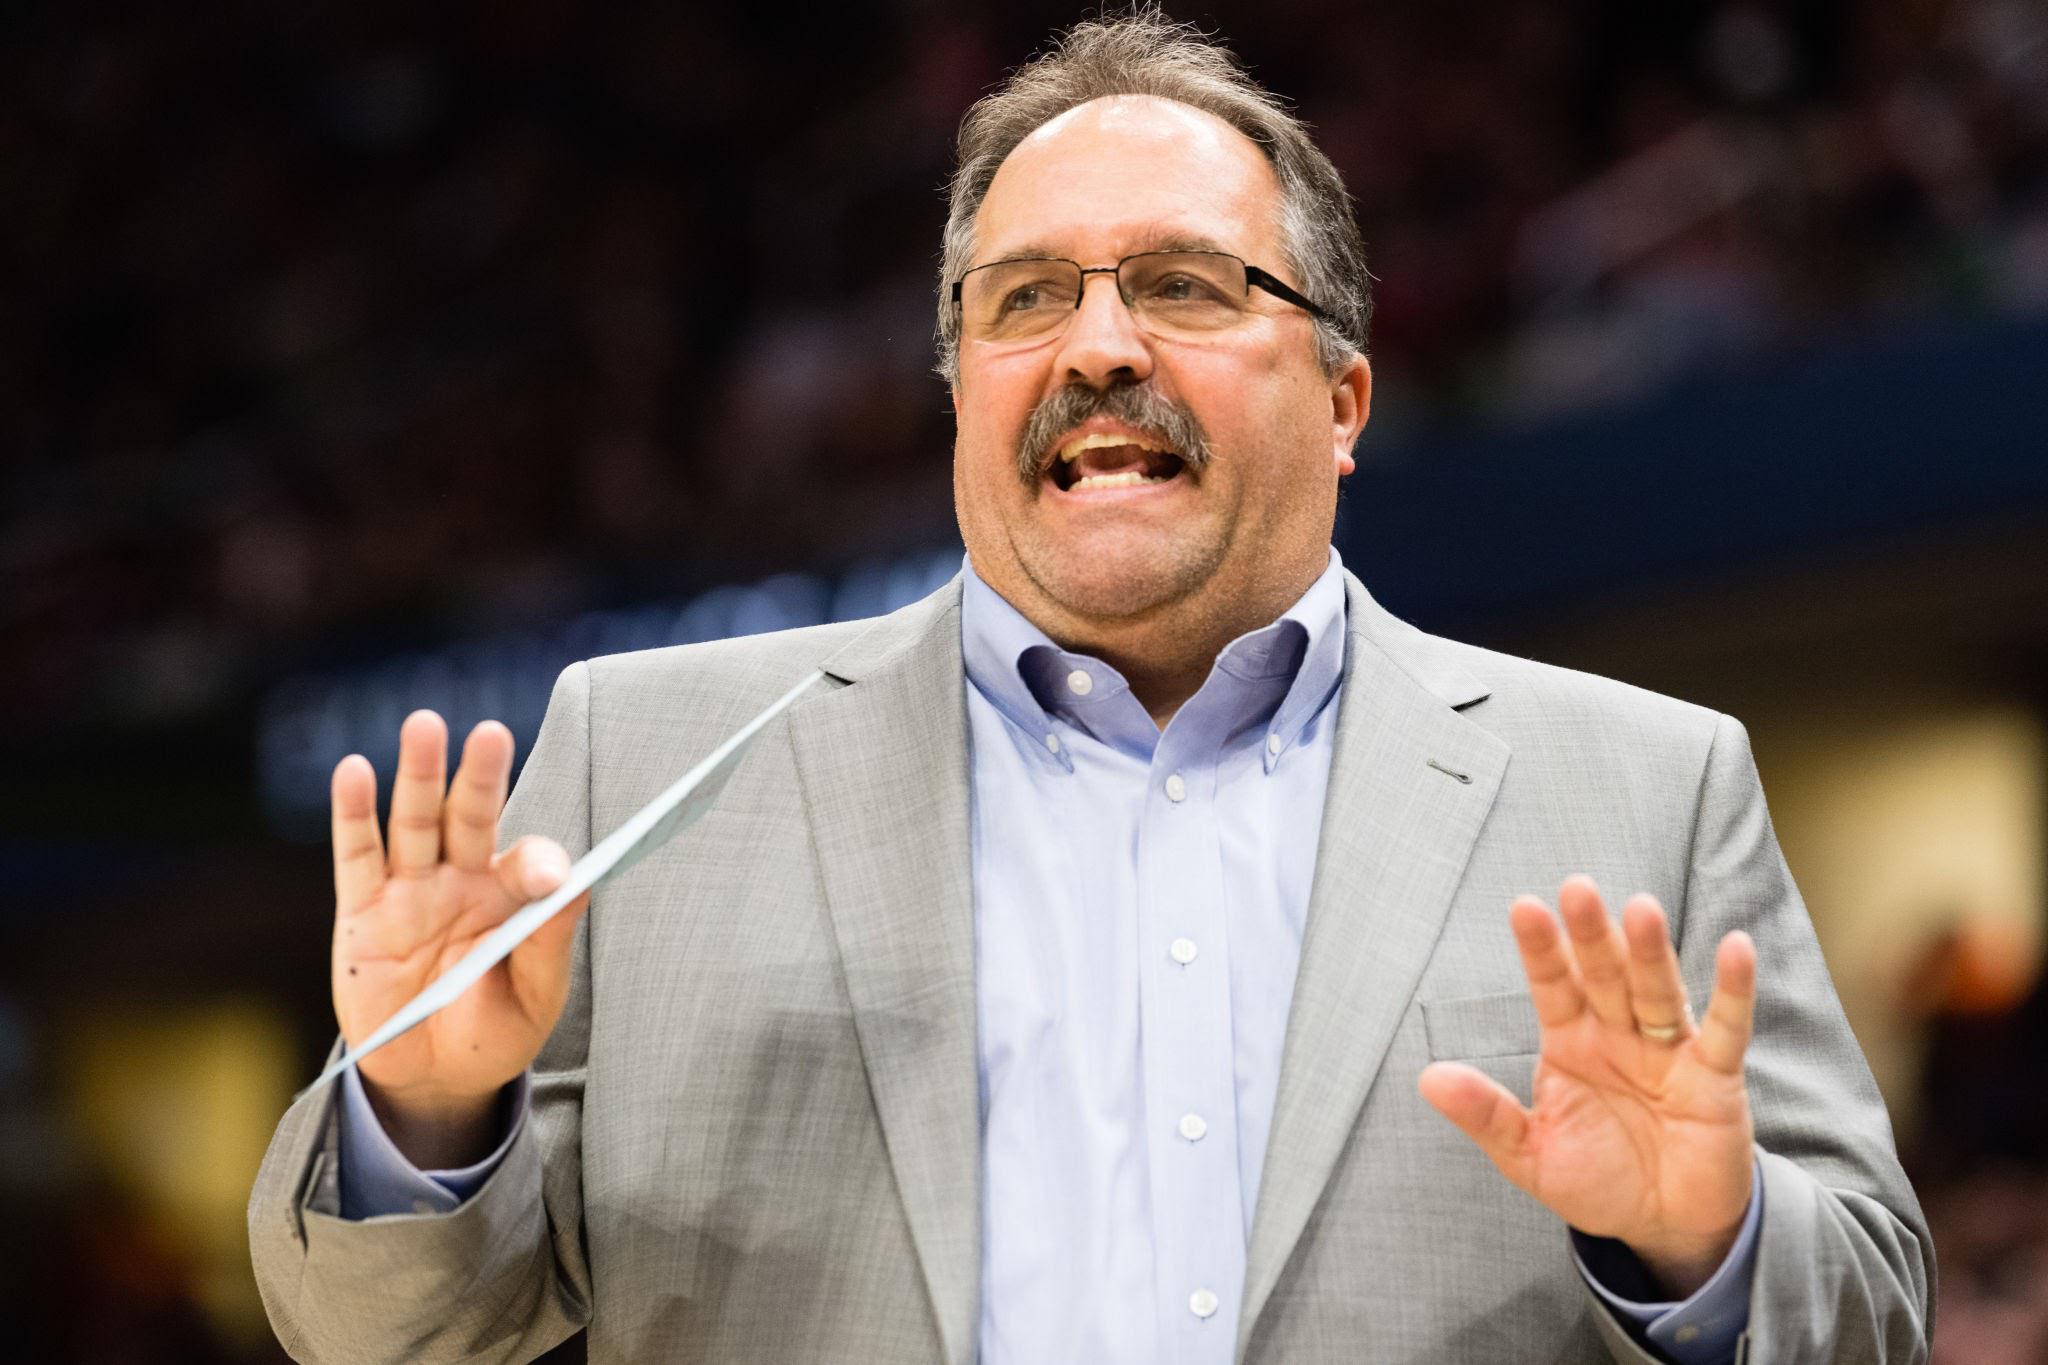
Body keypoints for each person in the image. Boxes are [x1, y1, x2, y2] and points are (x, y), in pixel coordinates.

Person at [248, 12, 1931, 1363]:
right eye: (1026, 298)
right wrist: (425, 1108)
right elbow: (381, 1334)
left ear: (1344, 400)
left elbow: (1872, 1316)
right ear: (960, 394)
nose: (1099, 346)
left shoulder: (1646, 785)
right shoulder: (644, 760)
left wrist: (1699, 1248)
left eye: (1184, 284)